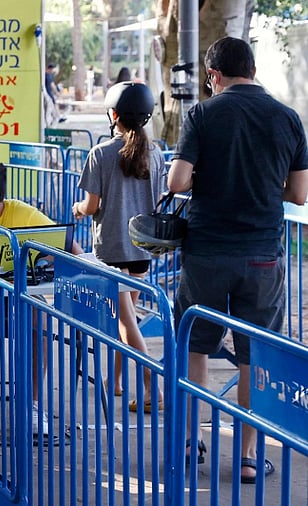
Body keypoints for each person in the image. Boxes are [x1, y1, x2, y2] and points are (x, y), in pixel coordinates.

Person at [167, 36, 308, 484]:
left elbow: (177, 181)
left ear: (213, 76)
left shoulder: (203, 114)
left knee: (193, 346)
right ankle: (248, 458)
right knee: (255, 358)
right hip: (263, 255)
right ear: (252, 68)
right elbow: (299, 194)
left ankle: (191, 444)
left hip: (207, 251)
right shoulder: (288, 118)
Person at [0, 160, 83, 438]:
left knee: (40, 316)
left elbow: (70, 249)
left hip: (14, 300)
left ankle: (30, 406)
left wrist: (58, 262)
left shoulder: (23, 213)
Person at [72, 81, 165, 412]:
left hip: (112, 248)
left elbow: (92, 204)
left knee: (124, 322)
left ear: (113, 114)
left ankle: (153, 384)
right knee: (125, 320)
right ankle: (116, 381)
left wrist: (77, 209)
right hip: (141, 250)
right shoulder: (155, 154)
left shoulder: (101, 153)